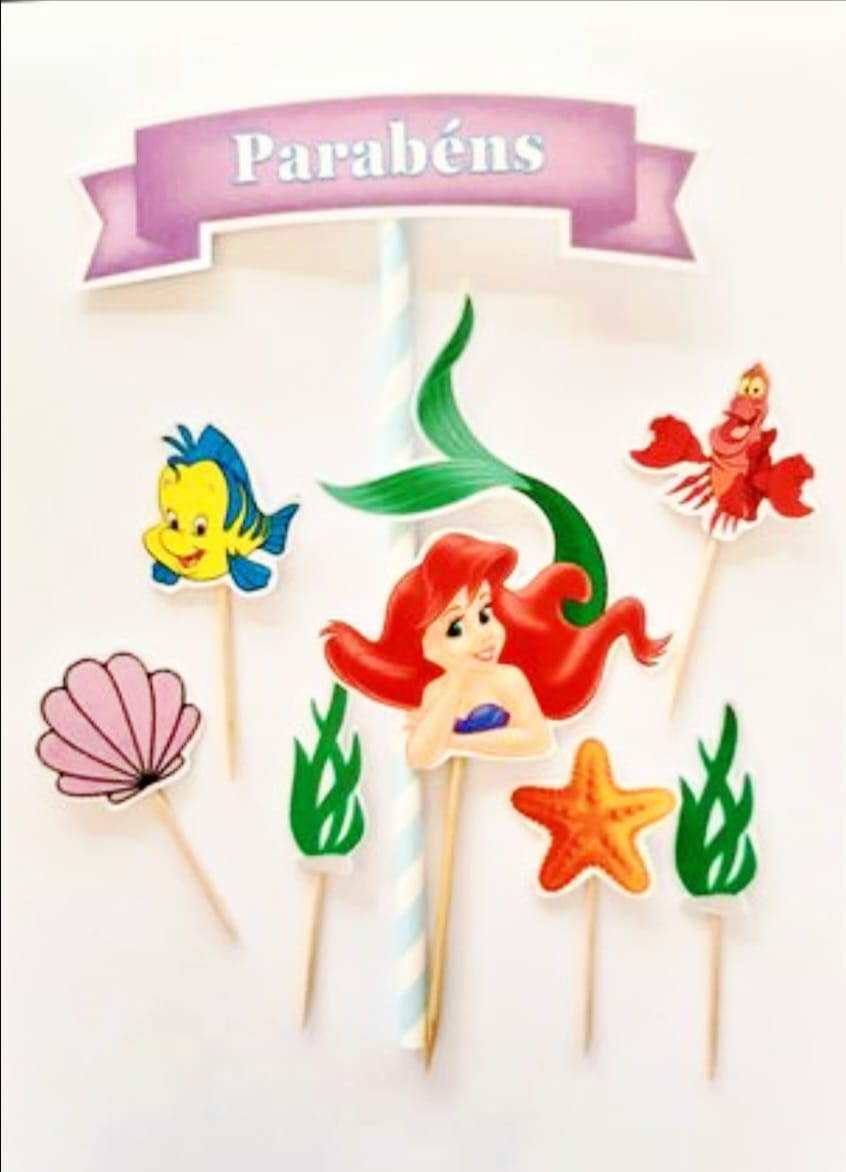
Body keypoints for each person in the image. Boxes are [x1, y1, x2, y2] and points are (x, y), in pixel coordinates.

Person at [323, 532, 668, 770]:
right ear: (425, 645)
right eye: (456, 628)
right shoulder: (436, 692)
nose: (484, 634)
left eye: (485, 614)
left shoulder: (508, 679)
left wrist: (454, 742)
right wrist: (456, 684)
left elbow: (537, 739)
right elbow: (421, 756)